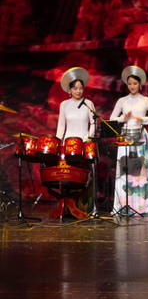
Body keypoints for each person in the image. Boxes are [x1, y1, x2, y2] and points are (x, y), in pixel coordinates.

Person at [110, 66, 148, 215]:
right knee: (125, 169)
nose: (132, 86)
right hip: (126, 136)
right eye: (130, 83)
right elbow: (112, 119)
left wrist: (143, 119)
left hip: (140, 136)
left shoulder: (145, 100)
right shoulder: (122, 101)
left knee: (141, 170)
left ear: (140, 84)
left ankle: (143, 205)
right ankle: (123, 204)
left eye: (135, 83)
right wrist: (122, 119)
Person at [56, 67, 97, 214]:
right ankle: (67, 207)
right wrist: (58, 144)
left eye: (81, 88)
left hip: (84, 142)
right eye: (75, 88)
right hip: (68, 144)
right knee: (68, 173)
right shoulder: (64, 105)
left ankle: (87, 207)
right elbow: (61, 126)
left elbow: (93, 123)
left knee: (86, 174)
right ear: (70, 90)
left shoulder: (88, 104)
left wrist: (88, 138)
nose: (78, 91)